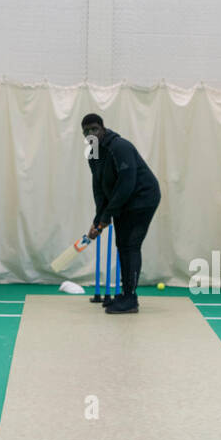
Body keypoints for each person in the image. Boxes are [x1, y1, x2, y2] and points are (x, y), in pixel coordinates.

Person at [81, 114, 161, 314]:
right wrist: (98, 219)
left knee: (130, 245)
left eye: (94, 129)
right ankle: (125, 295)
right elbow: (99, 189)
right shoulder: (93, 153)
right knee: (122, 244)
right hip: (124, 201)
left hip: (142, 198)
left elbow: (127, 184)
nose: (91, 134)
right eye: (86, 131)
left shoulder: (120, 147)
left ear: (103, 128)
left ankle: (130, 299)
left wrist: (107, 216)